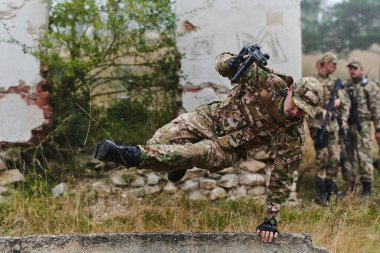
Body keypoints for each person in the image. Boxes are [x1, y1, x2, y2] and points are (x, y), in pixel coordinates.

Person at [93, 50, 323, 243]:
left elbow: (282, 177)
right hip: (209, 119)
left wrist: (270, 219)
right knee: (160, 141)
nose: (297, 112)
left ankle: (128, 155)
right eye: (297, 104)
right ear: (291, 90)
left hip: (227, 149)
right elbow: (222, 64)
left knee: (193, 152)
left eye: (304, 111)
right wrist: (231, 62)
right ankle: (177, 164)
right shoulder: (268, 81)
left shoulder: (293, 134)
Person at [308, 52, 350, 205]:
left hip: (333, 126)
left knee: (334, 157)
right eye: (332, 63)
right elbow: (306, 102)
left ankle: (331, 191)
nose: (335, 66)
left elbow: (346, 103)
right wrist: (321, 111)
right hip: (318, 126)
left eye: (336, 64)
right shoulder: (312, 81)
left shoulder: (335, 82)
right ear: (324, 64)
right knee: (322, 157)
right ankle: (320, 195)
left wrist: (340, 106)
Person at [341, 58, 380, 197]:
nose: (352, 71)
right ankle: (350, 187)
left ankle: (367, 188)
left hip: (362, 125)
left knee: (364, 156)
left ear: (361, 70)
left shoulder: (369, 86)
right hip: (348, 125)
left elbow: (376, 110)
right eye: (350, 68)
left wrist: (378, 128)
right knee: (348, 157)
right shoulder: (346, 86)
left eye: (355, 68)